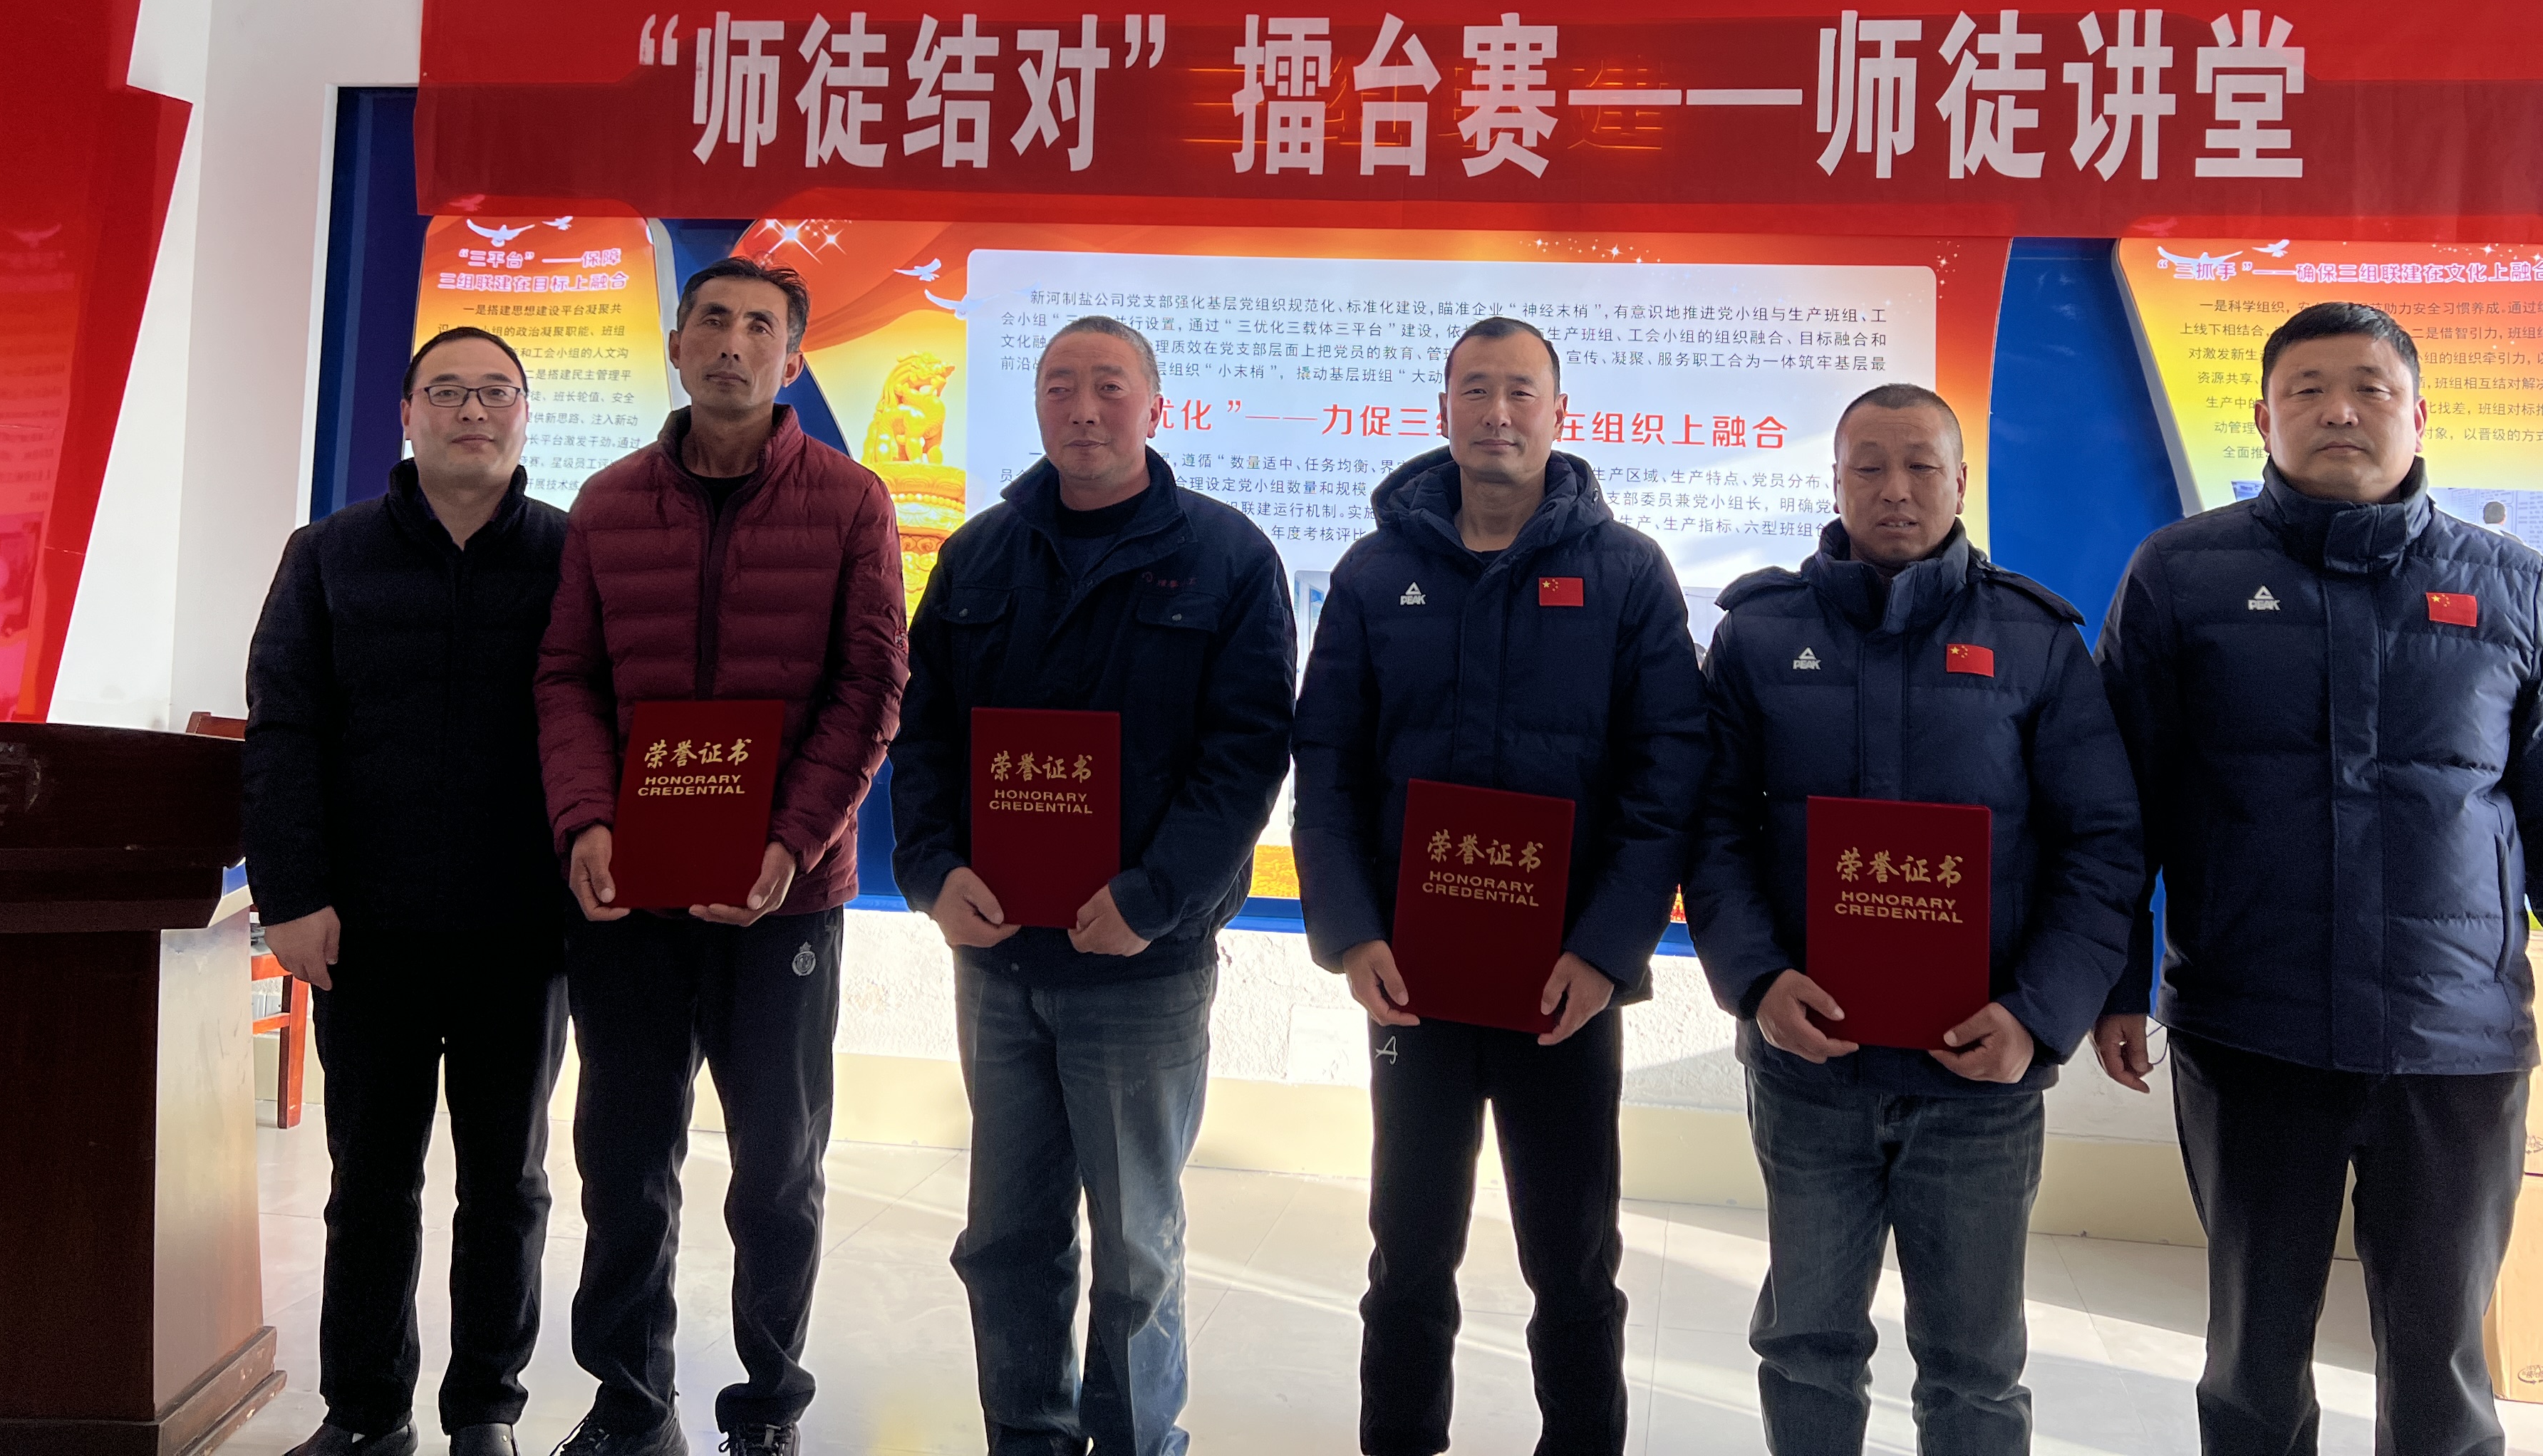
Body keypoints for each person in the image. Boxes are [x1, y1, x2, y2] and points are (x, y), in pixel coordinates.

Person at [2088, 301, 2543, 1456]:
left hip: (2455, 1041)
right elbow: (2120, 807)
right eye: (2306, 390)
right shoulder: (2182, 576)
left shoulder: (2509, 586)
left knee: (2442, 1362)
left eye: (2369, 387)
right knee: (2253, 1358)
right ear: (2265, 419)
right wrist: (2112, 984)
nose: (2339, 411)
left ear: (2418, 414)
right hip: (2252, 1029)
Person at [1687, 383, 2143, 1455]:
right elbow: (1712, 830)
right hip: (1810, 1071)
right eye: (1869, 467)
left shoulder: (2035, 640)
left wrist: (2037, 1017)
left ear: (1961, 482)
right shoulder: (1760, 635)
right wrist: (1756, 982)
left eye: (1921, 466)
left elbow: (2102, 845)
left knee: (1975, 1367)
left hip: (1980, 1078)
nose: (1895, 490)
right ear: (1835, 482)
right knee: (1806, 1344)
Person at [1291, 316, 1707, 1456]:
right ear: (1443, 414)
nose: (1498, 413)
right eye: (1475, 390)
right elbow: (1326, 762)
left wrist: (1607, 950)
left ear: (1560, 414)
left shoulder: (1627, 575)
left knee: (1572, 1259)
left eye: (1522, 391)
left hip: (1564, 984)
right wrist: (1351, 933)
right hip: (1410, 981)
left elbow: (1668, 773)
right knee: (1409, 1249)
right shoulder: (1376, 573)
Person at [890, 314, 1295, 1456]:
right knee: (1005, 1239)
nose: (1083, 409)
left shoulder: (1226, 558)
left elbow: (1245, 755)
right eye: (1060, 386)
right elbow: (925, 734)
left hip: (1141, 966)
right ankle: (1027, 1435)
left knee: (1136, 1252)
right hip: (1000, 960)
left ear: (1156, 407)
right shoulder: (979, 555)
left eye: (1109, 387)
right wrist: (931, 869)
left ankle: (1133, 1442)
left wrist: (1156, 895)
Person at [534, 257, 908, 1456]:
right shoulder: (607, 503)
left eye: (759, 327)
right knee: (623, 1160)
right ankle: (629, 1405)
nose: (733, 344)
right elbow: (567, 677)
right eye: (712, 321)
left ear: (792, 359)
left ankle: (767, 1409)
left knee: (778, 1172)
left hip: (783, 899)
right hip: (632, 896)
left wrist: (793, 842)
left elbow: (871, 687)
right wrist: (586, 820)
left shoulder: (851, 501)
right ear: (677, 344)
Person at [243, 326, 571, 1456]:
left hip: (519, 929)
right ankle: (366, 1414)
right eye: (448, 392)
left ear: (524, 415)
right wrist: (291, 893)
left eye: (496, 393)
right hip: (364, 930)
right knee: (370, 1183)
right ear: (408, 413)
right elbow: (283, 731)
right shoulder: (328, 554)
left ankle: (485, 1410)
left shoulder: (571, 556)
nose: (473, 411)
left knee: (508, 1184)